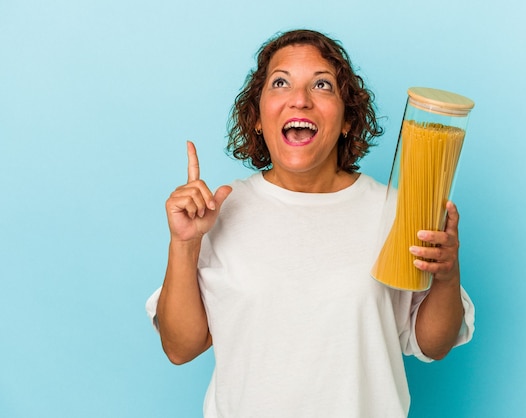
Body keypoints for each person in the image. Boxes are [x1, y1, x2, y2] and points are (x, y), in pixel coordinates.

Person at [146, 29, 474, 418]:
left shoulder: (395, 211)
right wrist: (184, 244)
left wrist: (447, 276)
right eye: (280, 82)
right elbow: (180, 348)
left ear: (349, 120)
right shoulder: (218, 211)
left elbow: (431, 345)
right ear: (256, 118)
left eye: (322, 85)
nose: (299, 99)